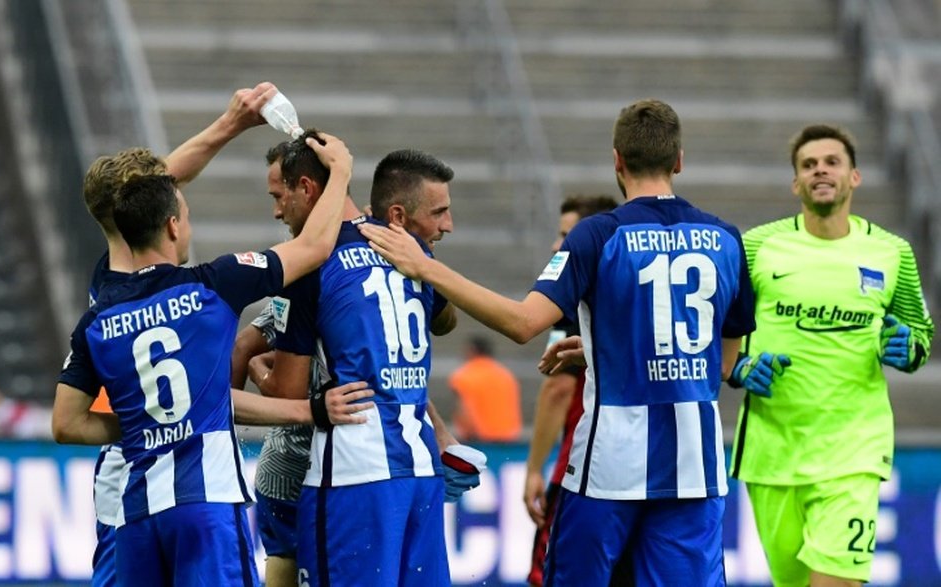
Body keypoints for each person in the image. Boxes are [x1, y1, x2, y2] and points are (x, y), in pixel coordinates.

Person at [359, 98, 756, 585]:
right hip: (694, 466)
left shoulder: (599, 235)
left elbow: (524, 323)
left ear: (617, 160)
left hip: (611, 463)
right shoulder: (726, 239)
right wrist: (604, 349)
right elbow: (720, 362)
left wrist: (427, 267)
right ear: (678, 161)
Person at [52, 129, 364, 586]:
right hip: (206, 502)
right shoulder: (212, 285)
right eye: (187, 217)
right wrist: (341, 172)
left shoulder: (97, 320)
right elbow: (315, 247)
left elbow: (66, 424)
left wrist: (150, 419)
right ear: (173, 226)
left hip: (137, 511)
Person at [231, 146, 482, 587]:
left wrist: (259, 376)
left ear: (305, 189)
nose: (276, 211)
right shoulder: (401, 245)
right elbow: (442, 318)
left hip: (351, 470)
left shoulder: (307, 263)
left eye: (280, 196)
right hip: (420, 470)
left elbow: (288, 392)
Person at [80, 82, 281, 587]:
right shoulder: (183, 289)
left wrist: (230, 123)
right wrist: (230, 123)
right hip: (175, 475)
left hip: (127, 484)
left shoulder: (109, 288)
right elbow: (165, 180)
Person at [727, 124, 935, 587]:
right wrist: (739, 367)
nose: (820, 169)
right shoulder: (756, 247)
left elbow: (920, 332)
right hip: (772, 452)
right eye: (808, 164)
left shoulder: (891, 252)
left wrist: (908, 349)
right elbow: (721, 330)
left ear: (854, 177)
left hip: (853, 451)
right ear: (796, 183)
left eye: (832, 161)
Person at [522, 194, 620, 587]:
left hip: (582, 466)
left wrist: (533, 469)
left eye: (564, 235)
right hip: (646, 467)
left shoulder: (575, 296)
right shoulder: (632, 288)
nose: (555, 245)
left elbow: (558, 390)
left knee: (556, 572)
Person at [448, 335, 522, 442]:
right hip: (509, 437)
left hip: (479, 439)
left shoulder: (463, 374)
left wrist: (469, 435)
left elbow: (463, 409)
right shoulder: (506, 374)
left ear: (471, 350)